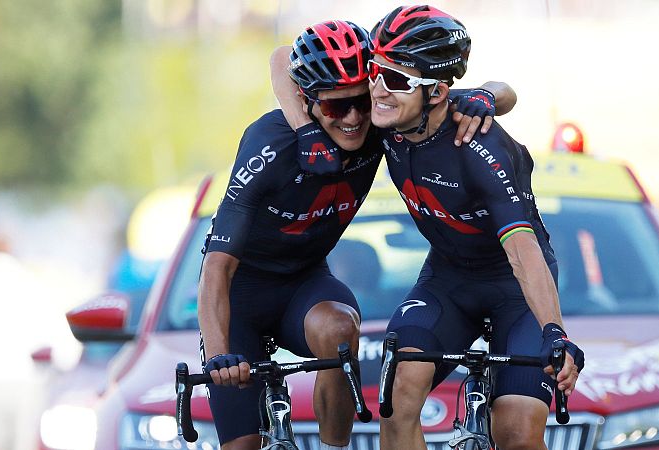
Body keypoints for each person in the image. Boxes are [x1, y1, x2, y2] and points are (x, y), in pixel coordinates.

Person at [199, 19, 509, 450]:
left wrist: (486, 96)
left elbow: (496, 93)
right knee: (241, 445)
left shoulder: (384, 122)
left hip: (303, 283)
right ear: (307, 101)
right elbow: (217, 266)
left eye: (362, 102)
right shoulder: (269, 144)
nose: (353, 119)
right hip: (240, 292)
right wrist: (219, 355)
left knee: (339, 328)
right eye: (335, 108)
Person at [366, 6, 585, 450]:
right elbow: (283, 61)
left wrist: (555, 331)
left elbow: (523, 250)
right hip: (448, 281)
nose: (376, 89)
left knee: (517, 433)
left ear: (436, 92)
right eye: (373, 71)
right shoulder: (384, 116)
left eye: (394, 79)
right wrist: (488, 91)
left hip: (514, 289)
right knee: (397, 397)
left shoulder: (478, 147)